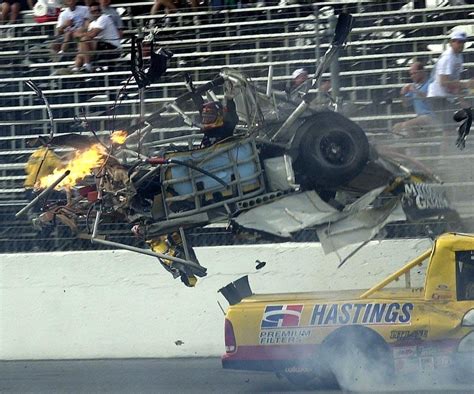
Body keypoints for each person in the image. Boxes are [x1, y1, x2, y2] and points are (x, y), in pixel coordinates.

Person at [427, 30, 470, 128]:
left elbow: (454, 81)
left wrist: (462, 100)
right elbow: (444, 82)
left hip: (445, 97)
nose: (461, 44)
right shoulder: (448, 57)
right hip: (437, 97)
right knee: (449, 129)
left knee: (452, 128)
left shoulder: (458, 56)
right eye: (458, 42)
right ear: (451, 43)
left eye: (463, 42)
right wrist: (466, 84)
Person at [72, 1, 122, 73]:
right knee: (81, 53)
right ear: (90, 12)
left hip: (113, 48)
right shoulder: (93, 23)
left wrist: (82, 34)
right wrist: (84, 34)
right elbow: (77, 35)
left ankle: (87, 66)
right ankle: (75, 71)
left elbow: (92, 35)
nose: (96, 13)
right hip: (102, 47)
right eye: (93, 11)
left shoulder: (104, 18)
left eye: (97, 10)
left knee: (84, 40)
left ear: (101, 10)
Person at [392, 62, 435, 137]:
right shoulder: (414, 86)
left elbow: (430, 98)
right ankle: (403, 147)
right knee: (396, 127)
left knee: (407, 125)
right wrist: (403, 94)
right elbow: (406, 104)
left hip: (431, 116)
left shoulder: (431, 82)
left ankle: (414, 147)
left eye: (414, 73)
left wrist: (415, 90)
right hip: (420, 117)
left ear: (422, 72)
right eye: (411, 74)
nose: (412, 76)